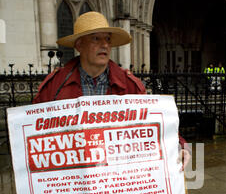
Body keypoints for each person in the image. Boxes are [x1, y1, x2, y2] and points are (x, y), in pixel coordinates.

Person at [33, 11, 190, 169]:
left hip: (115, 176)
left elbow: (152, 125)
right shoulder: (55, 86)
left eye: (108, 39)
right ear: (79, 45)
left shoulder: (130, 86)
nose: (105, 45)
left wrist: (179, 146)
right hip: (72, 177)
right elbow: (34, 132)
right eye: (96, 38)